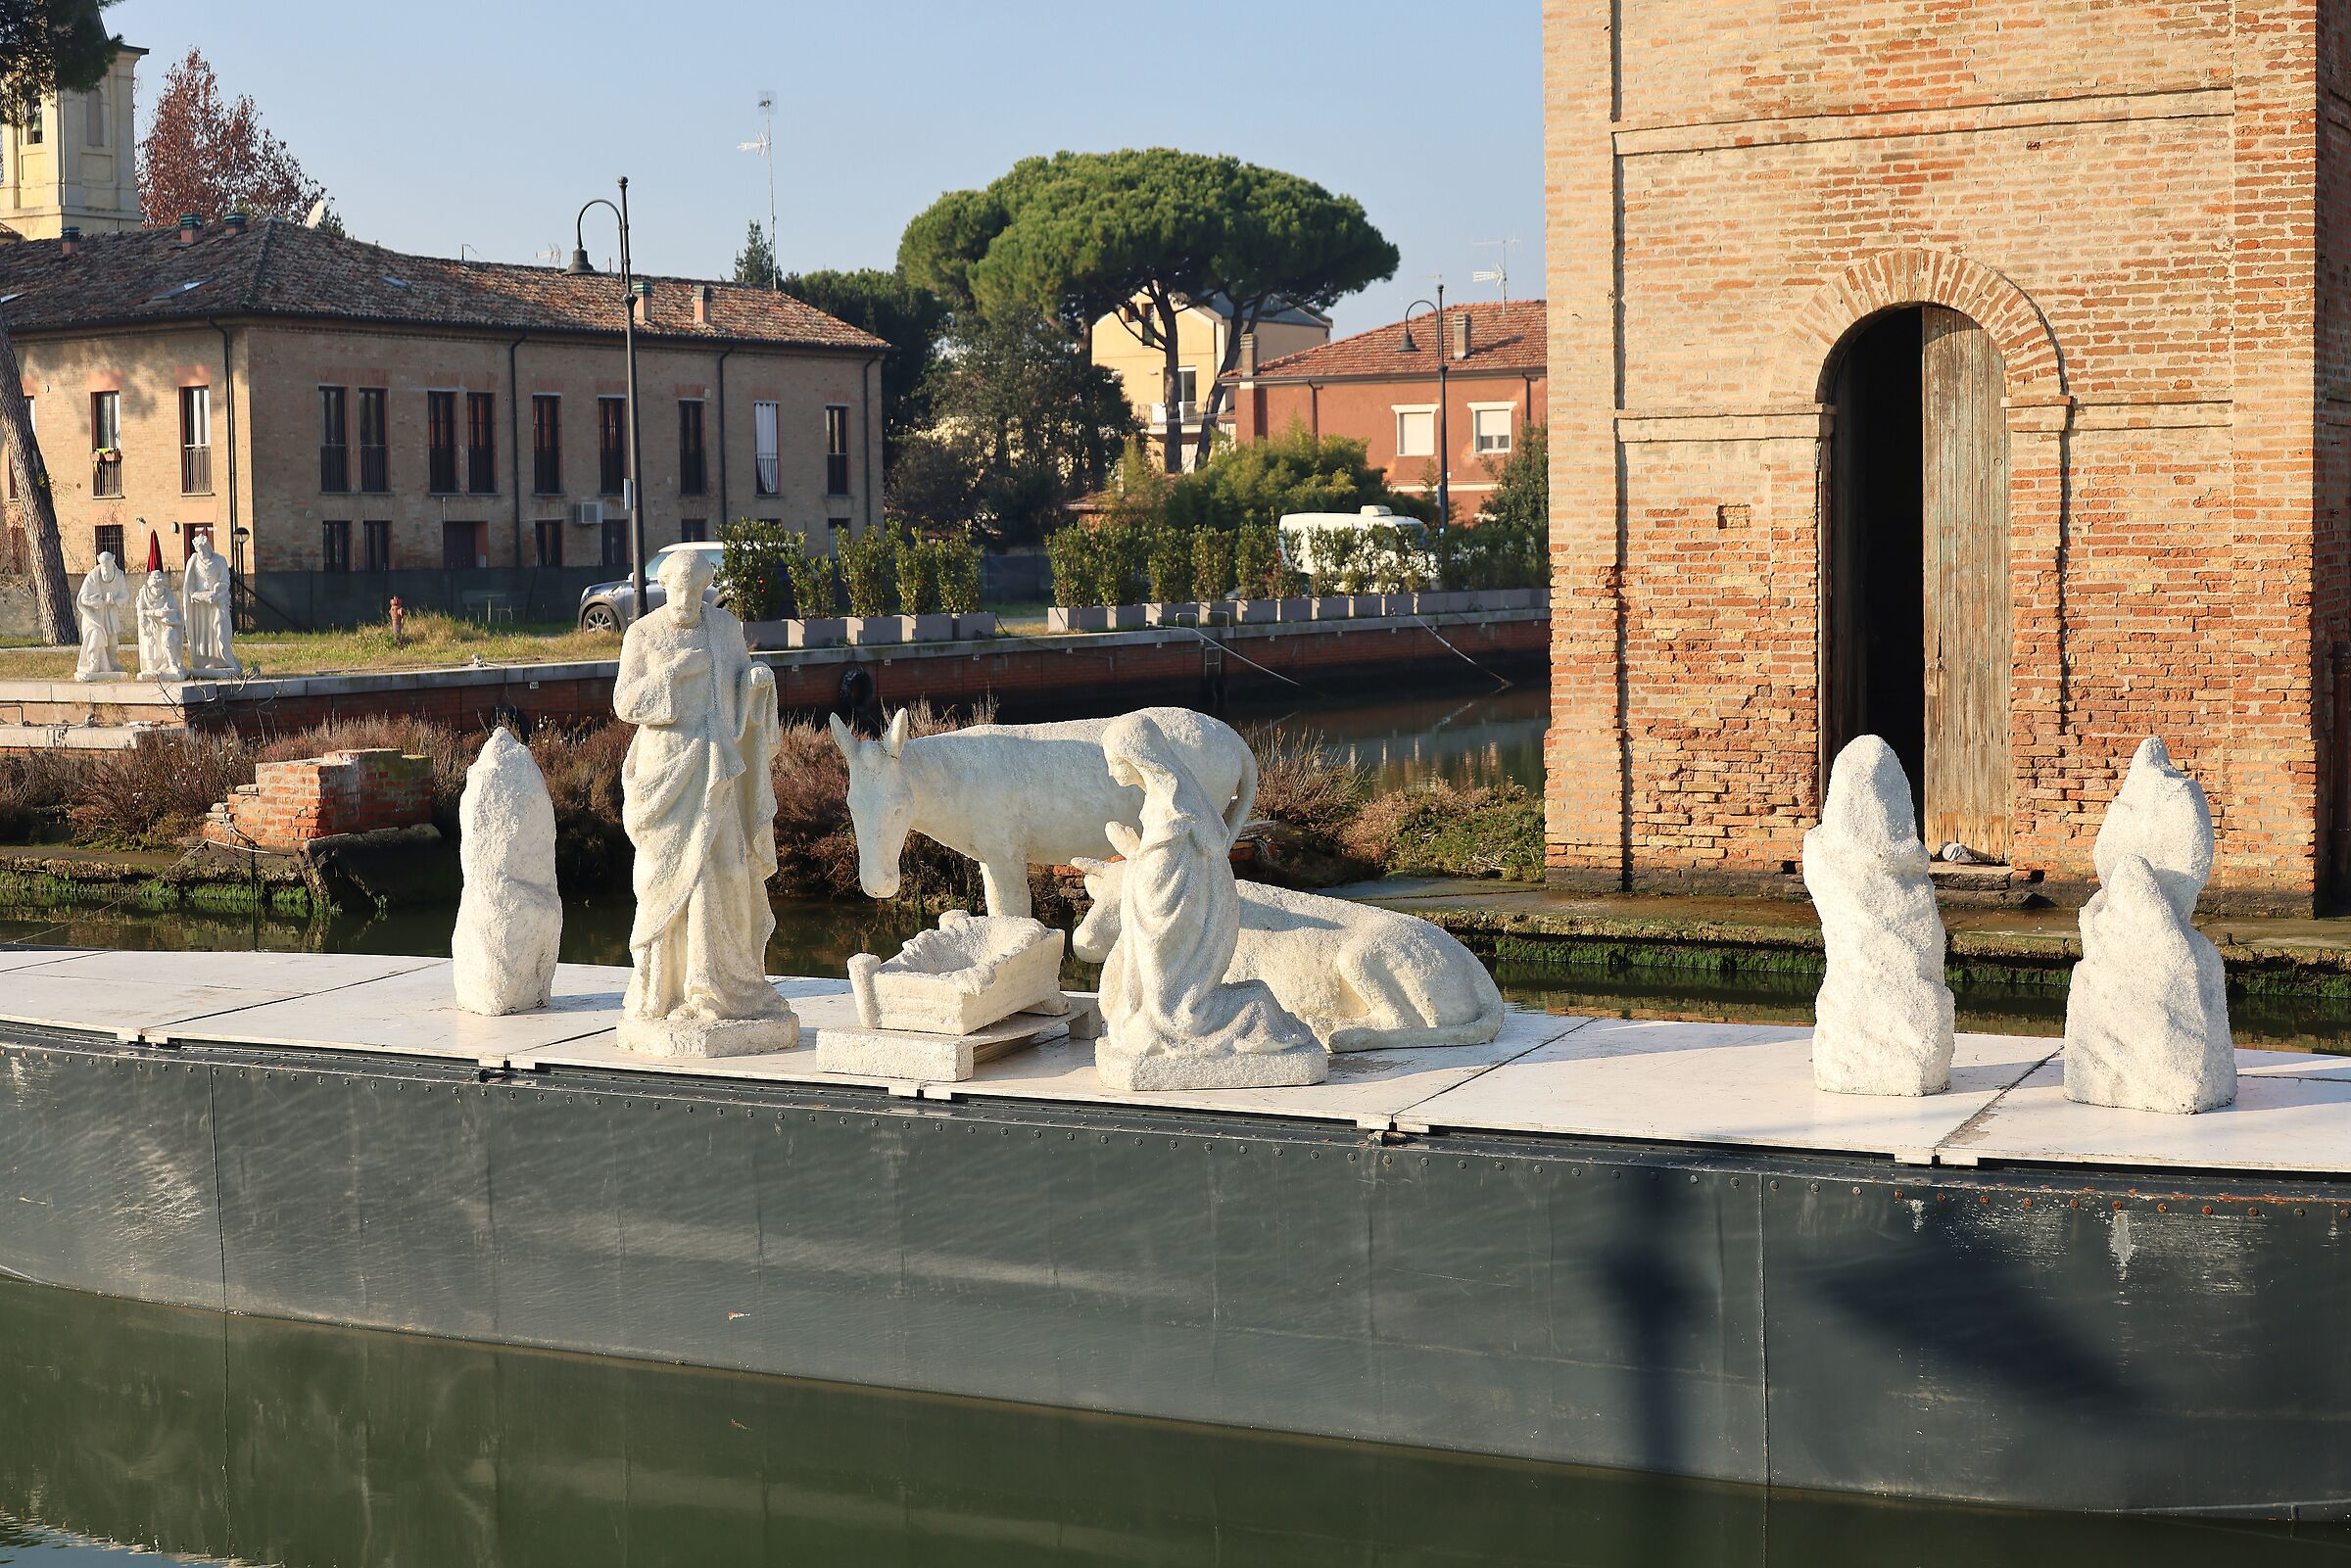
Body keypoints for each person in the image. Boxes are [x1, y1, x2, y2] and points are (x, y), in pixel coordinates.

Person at [612, 546, 797, 1057]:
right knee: (668, 876)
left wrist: (756, 685)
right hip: (667, 773)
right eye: (680, 592)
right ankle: (667, 989)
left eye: (698, 594)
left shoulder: (724, 629)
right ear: (664, 587)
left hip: (717, 767)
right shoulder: (643, 634)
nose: (689, 602)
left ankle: (725, 986)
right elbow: (626, 702)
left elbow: (739, 691)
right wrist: (671, 678)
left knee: (725, 870)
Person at [181, 533, 239, 675]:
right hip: (200, 606)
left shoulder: (220, 561)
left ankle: (221, 658)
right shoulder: (194, 561)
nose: (201, 553)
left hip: (217, 602)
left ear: (208, 547)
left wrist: (218, 590)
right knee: (203, 632)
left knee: (218, 630)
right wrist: (198, 596)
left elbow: (225, 582)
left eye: (203, 550)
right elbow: (189, 587)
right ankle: (205, 660)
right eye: (198, 551)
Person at [72, 552, 129, 681]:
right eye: (103, 566)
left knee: (112, 639)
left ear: (113, 561)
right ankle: (94, 662)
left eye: (108, 566)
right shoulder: (92, 576)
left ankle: (112, 662)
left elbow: (125, 595)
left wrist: (114, 600)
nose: (106, 569)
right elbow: (83, 598)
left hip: (111, 612)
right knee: (96, 636)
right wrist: (99, 601)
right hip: (95, 616)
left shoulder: (119, 576)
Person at [134, 568, 187, 681]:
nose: (158, 589)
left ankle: (171, 664)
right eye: (155, 586)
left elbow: (176, 612)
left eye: (160, 585)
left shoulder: (168, 594)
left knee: (167, 638)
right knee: (151, 659)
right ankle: (153, 668)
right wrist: (154, 613)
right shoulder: (144, 593)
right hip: (151, 627)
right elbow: (140, 612)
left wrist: (166, 614)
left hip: (166, 625)